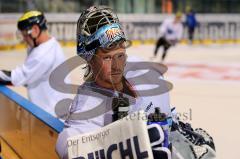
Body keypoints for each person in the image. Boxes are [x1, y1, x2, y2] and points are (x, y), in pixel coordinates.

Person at [56, 6, 171, 158]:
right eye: (107, 57)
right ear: (90, 58)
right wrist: (119, 149)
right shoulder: (87, 106)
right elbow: (68, 147)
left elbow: (159, 70)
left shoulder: (135, 64)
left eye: (120, 52)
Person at [0, 10, 69, 117]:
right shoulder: (51, 45)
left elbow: (17, 78)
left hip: (50, 117)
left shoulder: (43, 55)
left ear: (35, 30)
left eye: (24, 35)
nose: (24, 39)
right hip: (54, 112)